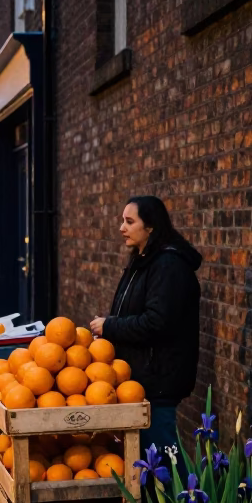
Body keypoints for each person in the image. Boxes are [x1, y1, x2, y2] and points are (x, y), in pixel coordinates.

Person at [90, 195, 202, 458]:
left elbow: (157, 322)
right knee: (148, 457)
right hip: (141, 377)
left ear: (150, 226)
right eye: (122, 221)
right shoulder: (142, 261)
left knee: (165, 455)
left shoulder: (168, 266)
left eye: (129, 221)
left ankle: (187, 499)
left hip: (158, 380)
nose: (122, 228)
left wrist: (110, 327)